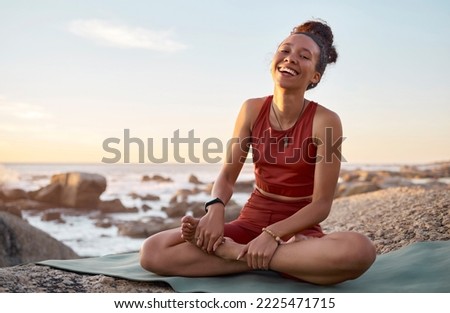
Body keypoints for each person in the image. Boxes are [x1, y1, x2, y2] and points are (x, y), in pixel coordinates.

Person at [140, 19, 376, 285]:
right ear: (274, 59)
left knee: (359, 251)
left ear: (315, 76)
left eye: (304, 56)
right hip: (250, 223)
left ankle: (238, 255)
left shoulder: (326, 120)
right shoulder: (252, 109)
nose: (290, 59)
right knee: (153, 252)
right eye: (285, 50)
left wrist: (272, 236)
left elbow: (321, 205)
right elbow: (227, 177)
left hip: (297, 228)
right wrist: (215, 210)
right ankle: (275, 259)